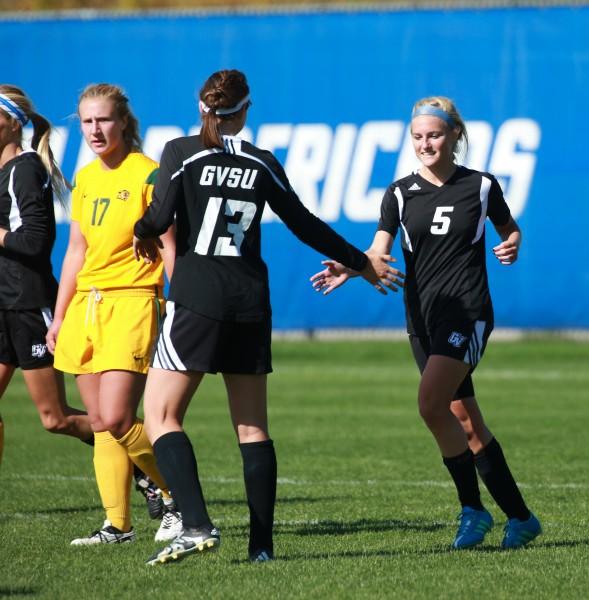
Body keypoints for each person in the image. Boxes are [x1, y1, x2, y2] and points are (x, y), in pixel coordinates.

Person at [134, 69, 401, 566]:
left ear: (202, 108)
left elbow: (158, 218)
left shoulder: (179, 152)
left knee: (160, 416)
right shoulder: (261, 162)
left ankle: (194, 523)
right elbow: (304, 224)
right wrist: (362, 264)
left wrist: (140, 227)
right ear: (245, 111)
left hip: (196, 300)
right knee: (252, 427)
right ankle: (262, 548)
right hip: (249, 304)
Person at [311, 96, 542, 550]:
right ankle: (520, 517)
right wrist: (352, 267)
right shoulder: (399, 193)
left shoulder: (480, 185)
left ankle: (472, 511)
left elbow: (509, 229)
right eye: (417, 137)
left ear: (456, 135)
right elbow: (379, 251)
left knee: (430, 403)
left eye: (434, 134)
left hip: (468, 313)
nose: (425, 144)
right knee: (466, 423)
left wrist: (512, 244)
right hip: (422, 319)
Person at [46, 83, 181, 546]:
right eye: (87, 121)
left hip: (134, 300)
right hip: (88, 305)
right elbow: (76, 251)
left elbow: (169, 248)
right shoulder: (83, 178)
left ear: (124, 121)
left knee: (120, 416)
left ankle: (177, 498)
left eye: (103, 119)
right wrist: (61, 317)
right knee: (101, 422)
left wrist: (178, 303)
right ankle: (117, 525)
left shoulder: (148, 173)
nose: (95, 129)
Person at [0, 85, 92, 464]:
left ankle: (147, 465)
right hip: (4, 304)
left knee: (55, 418)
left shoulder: (23, 170)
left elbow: (36, 242)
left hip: (27, 303)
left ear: (9, 123)